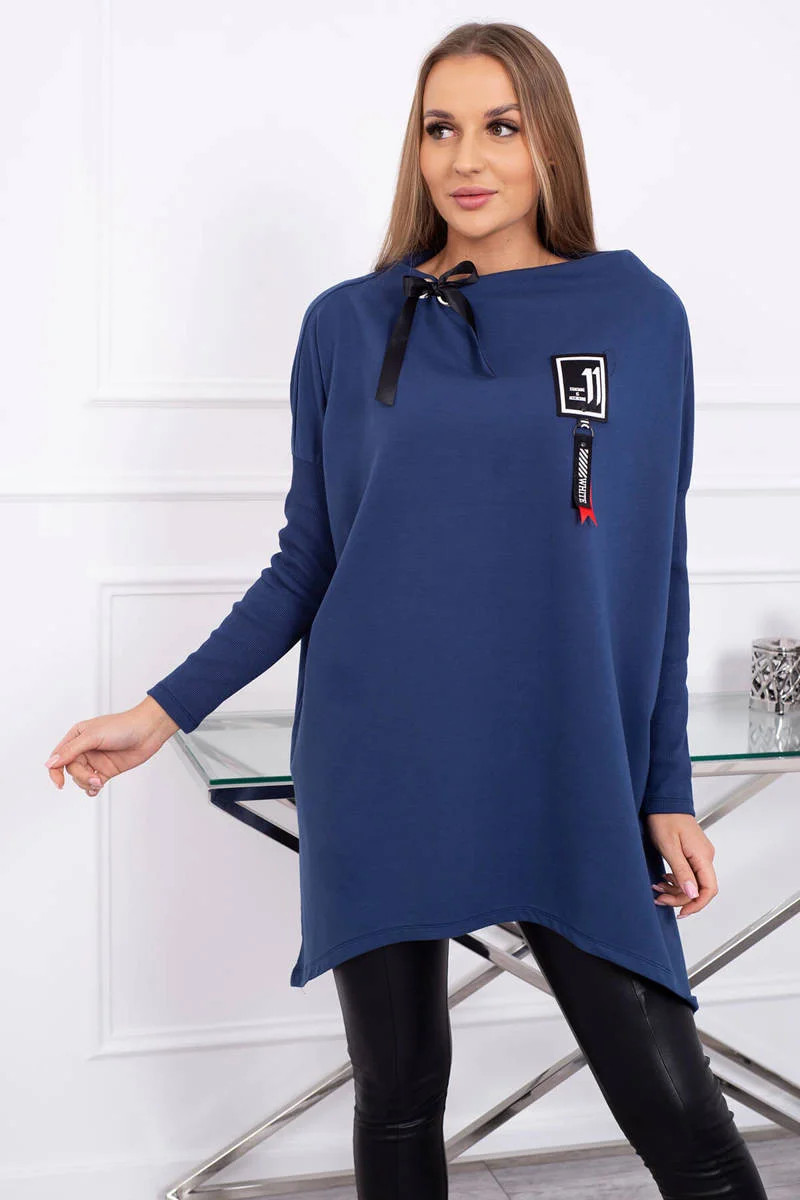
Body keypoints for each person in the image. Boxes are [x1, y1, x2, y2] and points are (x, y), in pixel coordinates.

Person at [44, 21, 770, 1200]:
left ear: (548, 142)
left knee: (680, 1119)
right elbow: (308, 562)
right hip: (379, 757)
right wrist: (158, 712)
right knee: (397, 1096)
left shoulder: (636, 315)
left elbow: (654, 564)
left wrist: (665, 786)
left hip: (562, 760)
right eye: (439, 128)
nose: (463, 158)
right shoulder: (344, 324)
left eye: (499, 126)